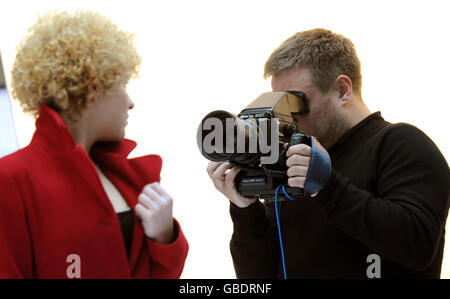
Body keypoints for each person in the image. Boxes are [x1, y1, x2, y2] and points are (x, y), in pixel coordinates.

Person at [207, 28, 450, 278]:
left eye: (295, 102)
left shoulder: (402, 144)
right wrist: (245, 210)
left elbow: (418, 246)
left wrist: (326, 186)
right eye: (279, 103)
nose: (286, 116)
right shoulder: (290, 162)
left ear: (342, 90)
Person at [0, 10, 188, 278]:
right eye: (122, 85)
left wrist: (164, 236)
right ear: (93, 87)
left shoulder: (122, 176)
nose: (130, 102)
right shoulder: (10, 180)